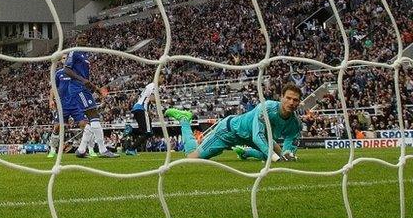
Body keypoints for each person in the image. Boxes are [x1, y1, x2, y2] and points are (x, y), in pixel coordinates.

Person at [164, 82, 302, 161]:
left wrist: (287, 154)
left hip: (251, 138)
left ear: (299, 102)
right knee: (191, 158)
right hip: (229, 131)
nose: (291, 102)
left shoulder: (295, 123)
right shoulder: (266, 108)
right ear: (281, 97)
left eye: (295, 100)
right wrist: (276, 158)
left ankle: (244, 153)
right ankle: (184, 119)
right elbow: (258, 135)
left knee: (275, 155)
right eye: (288, 98)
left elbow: (290, 140)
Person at [64, 33, 119, 158]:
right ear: (76, 40)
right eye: (80, 38)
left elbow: (86, 79)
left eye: (85, 38)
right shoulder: (74, 52)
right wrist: (82, 81)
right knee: (93, 115)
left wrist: (96, 89)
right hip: (78, 88)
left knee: (90, 120)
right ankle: (102, 150)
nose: (83, 39)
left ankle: (82, 150)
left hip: (84, 88)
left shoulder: (85, 56)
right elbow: (67, 69)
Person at [47, 55, 97, 158]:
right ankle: (52, 149)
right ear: (61, 61)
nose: (65, 60)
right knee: (57, 127)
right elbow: (53, 88)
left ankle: (91, 149)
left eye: (67, 58)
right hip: (62, 105)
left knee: (85, 125)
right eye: (63, 58)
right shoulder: (58, 73)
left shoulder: (76, 73)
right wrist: (51, 100)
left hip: (76, 104)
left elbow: (85, 84)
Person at [124, 74, 164, 156]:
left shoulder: (149, 85)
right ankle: (131, 148)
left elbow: (147, 99)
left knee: (145, 131)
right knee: (148, 132)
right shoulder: (154, 86)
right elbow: (152, 99)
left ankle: (131, 132)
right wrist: (164, 102)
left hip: (138, 108)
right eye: (162, 77)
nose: (163, 80)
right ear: (157, 77)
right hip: (141, 108)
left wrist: (149, 112)